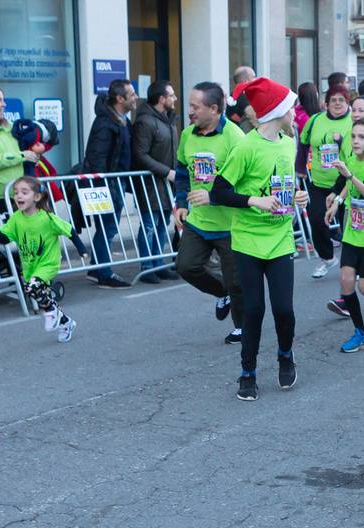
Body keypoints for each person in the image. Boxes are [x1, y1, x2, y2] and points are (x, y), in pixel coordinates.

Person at [210, 76, 307, 400]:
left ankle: (285, 354)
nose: (295, 113)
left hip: (280, 239)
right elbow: (219, 191)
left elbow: (281, 186)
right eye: (291, 108)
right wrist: (255, 200)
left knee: (284, 310)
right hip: (248, 241)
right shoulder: (246, 146)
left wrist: (296, 197)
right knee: (253, 310)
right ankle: (247, 372)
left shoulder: (287, 142)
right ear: (277, 111)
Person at [175, 81, 246, 344]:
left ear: (214, 109)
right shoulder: (187, 134)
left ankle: (242, 327)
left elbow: (244, 183)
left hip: (229, 223)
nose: (190, 111)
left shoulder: (236, 138)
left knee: (237, 281)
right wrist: (181, 202)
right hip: (198, 221)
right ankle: (221, 292)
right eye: (190, 105)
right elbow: (182, 171)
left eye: (195, 107)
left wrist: (213, 196)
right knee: (185, 266)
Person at [325, 116, 364, 354]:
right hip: (353, 233)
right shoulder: (351, 159)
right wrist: (338, 201)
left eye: (362, 137)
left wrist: (350, 176)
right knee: (346, 281)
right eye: (353, 136)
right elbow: (348, 187)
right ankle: (361, 333)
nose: (355, 141)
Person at [0, 175, 75, 342]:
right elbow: (6, 239)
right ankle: (65, 322)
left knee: (32, 287)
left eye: (24, 192)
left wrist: (82, 249)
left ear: (37, 197)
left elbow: (69, 230)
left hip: (48, 263)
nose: (18, 196)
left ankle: (51, 312)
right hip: (30, 265)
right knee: (37, 292)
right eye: (16, 192)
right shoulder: (16, 218)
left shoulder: (46, 217)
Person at [79, 80, 136, 290]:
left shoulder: (121, 120)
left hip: (115, 181)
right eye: (131, 94)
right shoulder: (106, 123)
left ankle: (97, 268)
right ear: (120, 99)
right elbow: (97, 156)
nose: (135, 97)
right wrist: (104, 186)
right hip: (108, 184)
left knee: (107, 227)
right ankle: (103, 272)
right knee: (107, 227)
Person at [300, 85, 353, 279]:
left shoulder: (353, 121)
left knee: (350, 227)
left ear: (347, 103)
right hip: (320, 182)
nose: (337, 104)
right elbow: (303, 143)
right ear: (326, 103)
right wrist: (299, 170)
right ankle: (327, 259)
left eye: (341, 100)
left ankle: (351, 266)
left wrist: (340, 143)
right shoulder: (315, 120)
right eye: (333, 100)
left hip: (346, 184)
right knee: (316, 220)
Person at [131, 79, 179, 284]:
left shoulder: (168, 120)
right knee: (150, 223)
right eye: (171, 95)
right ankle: (147, 266)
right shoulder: (145, 121)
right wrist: (166, 171)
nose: (175, 98)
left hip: (166, 181)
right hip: (150, 181)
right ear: (162, 99)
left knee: (162, 224)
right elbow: (140, 154)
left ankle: (159, 264)